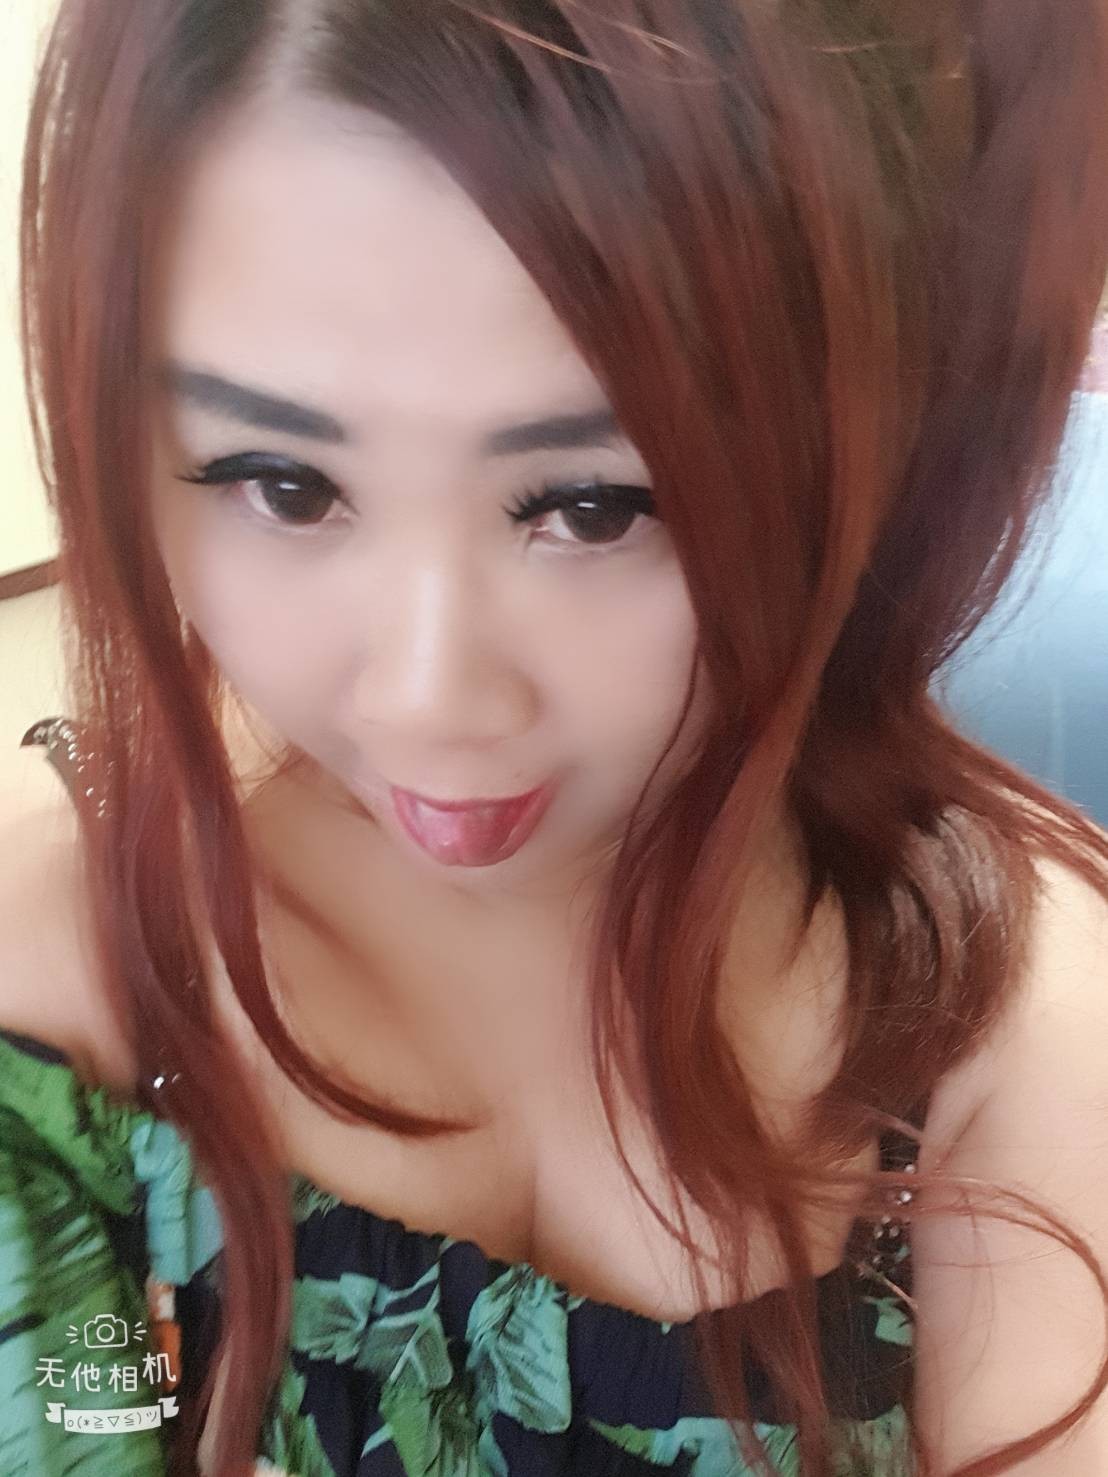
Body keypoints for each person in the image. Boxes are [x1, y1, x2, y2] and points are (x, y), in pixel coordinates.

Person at [1, 2, 1107, 1474]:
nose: (426, 698)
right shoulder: (62, 996)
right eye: (282, 481)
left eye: (596, 505)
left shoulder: (1001, 1011)